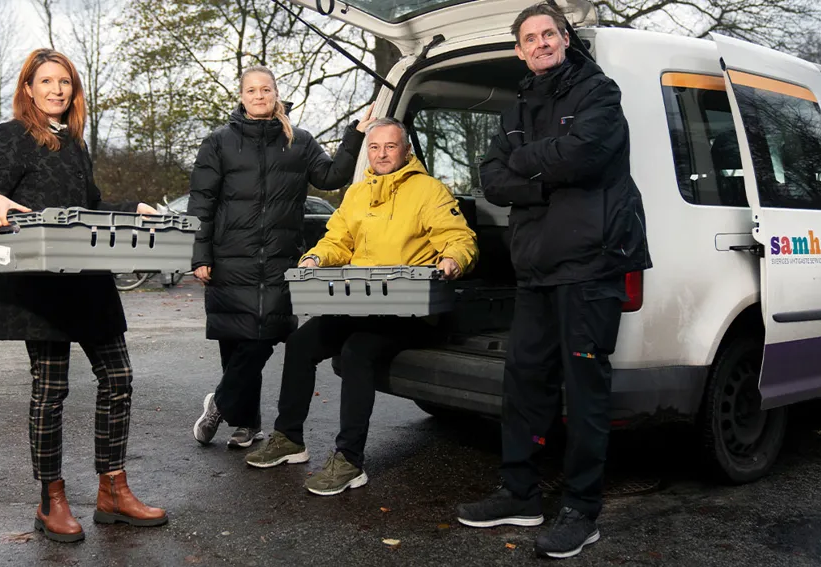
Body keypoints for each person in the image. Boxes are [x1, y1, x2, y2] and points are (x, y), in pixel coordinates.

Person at [454, 5, 651, 560]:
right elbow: (490, 179)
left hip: (592, 266)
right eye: (529, 38)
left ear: (564, 39)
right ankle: (520, 492)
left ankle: (582, 511)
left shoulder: (599, 92)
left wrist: (526, 165)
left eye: (548, 34)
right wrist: (541, 178)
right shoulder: (519, 103)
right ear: (519, 50)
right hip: (537, 266)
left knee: (585, 393)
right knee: (524, 382)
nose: (540, 43)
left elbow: (583, 156)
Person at [0, 48, 167, 543]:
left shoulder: (75, 142)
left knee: (118, 377)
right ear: (29, 89)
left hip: (88, 280)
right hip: (42, 285)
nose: (57, 89)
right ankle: (51, 498)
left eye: (65, 82)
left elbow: (90, 206)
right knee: (50, 392)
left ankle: (113, 491)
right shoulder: (11, 135)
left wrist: (133, 208)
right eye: (47, 81)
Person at [243, 118, 478, 496]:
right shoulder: (357, 193)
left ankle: (349, 460)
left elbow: (459, 237)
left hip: (408, 309)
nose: (381, 154)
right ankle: (289, 439)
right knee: (302, 343)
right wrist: (316, 258)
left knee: (356, 351)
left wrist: (452, 259)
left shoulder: (429, 191)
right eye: (374, 147)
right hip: (359, 300)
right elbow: (338, 239)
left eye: (390, 146)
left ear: (406, 151)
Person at [189, 66, 373, 449]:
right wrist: (199, 254)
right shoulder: (218, 142)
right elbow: (201, 202)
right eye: (252, 90)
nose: (259, 96)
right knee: (235, 341)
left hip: (278, 260)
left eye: (266, 89)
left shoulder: (300, 141)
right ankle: (247, 423)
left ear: (276, 94)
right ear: (241, 96)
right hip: (229, 258)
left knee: (264, 337)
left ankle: (220, 403)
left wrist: (355, 134)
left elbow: (331, 175)